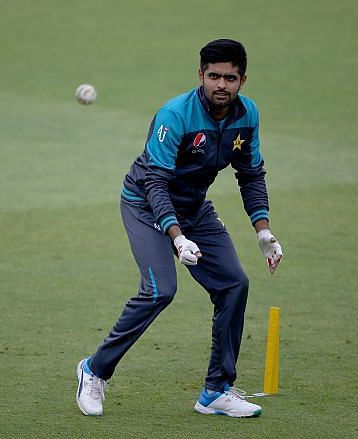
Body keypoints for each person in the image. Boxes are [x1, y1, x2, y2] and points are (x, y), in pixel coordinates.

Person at [76, 38, 283, 418]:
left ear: (243, 80)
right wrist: (177, 237)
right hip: (144, 204)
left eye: (231, 77)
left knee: (234, 284)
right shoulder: (175, 115)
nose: (222, 84)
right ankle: (94, 370)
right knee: (160, 290)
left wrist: (263, 230)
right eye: (214, 76)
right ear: (200, 75)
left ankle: (216, 391)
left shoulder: (247, 115)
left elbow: (251, 173)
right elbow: (155, 182)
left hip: (192, 209)